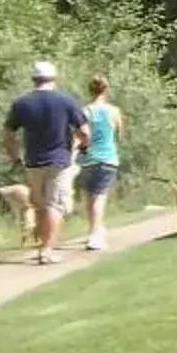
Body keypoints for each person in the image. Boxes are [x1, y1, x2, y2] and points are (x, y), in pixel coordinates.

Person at [1, 60, 89, 266]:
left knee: (40, 206)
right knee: (55, 205)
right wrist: (82, 147)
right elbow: (84, 132)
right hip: (59, 161)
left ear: (33, 80)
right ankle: (47, 250)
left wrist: (15, 157)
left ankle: (43, 247)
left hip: (33, 162)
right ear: (54, 79)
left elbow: (7, 135)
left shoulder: (22, 103)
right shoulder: (66, 101)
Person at [78, 74, 127, 254]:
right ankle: (95, 233)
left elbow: (80, 135)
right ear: (105, 90)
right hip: (107, 157)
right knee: (99, 197)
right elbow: (119, 135)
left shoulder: (85, 111)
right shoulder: (113, 111)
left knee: (90, 196)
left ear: (90, 90)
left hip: (87, 159)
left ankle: (95, 228)